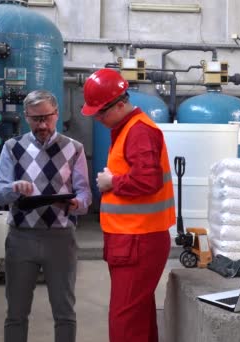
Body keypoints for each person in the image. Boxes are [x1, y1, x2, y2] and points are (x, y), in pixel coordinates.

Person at [81, 68, 175, 342]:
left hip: (138, 240)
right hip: (134, 238)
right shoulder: (127, 128)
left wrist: (113, 183)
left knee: (124, 321)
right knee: (138, 314)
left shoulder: (138, 132)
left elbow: (148, 180)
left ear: (120, 104)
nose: (98, 119)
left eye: (101, 112)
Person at [0, 90, 91, 342]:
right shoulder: (12, 148)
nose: (43, 125)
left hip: (60, 239)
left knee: (64, 311)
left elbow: (84, 194)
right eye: (36, 119)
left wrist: (77, 204)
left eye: (47, 117)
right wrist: (14, 188)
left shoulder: (74, 149)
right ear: (26, 117)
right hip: (21, 238)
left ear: (57, 114)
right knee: (16, 312)